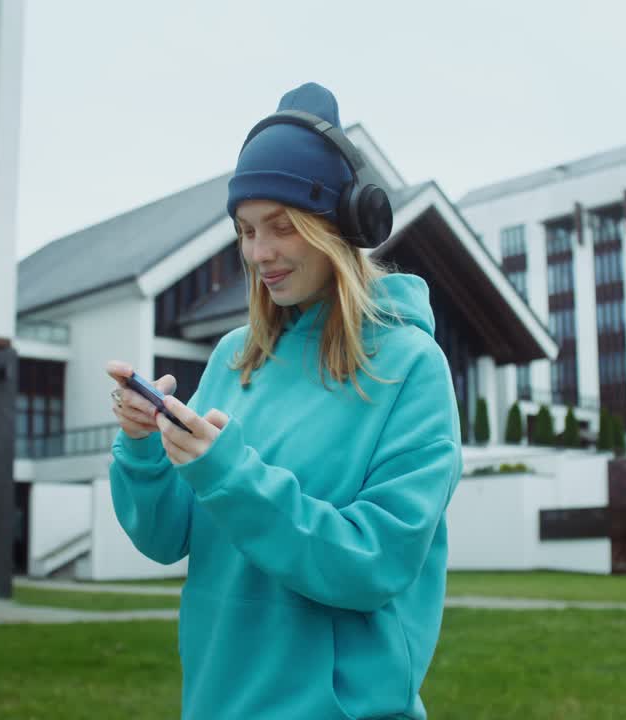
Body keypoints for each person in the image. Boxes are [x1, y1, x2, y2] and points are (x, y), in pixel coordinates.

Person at [106, 82, 461, 720]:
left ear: (339, 228)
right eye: (245, 231)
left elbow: (371, 563)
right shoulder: (234, 357)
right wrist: (142, 448)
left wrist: (228, 474)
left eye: (281, 227)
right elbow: (165, 537)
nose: (258, 253)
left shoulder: (409, 368)